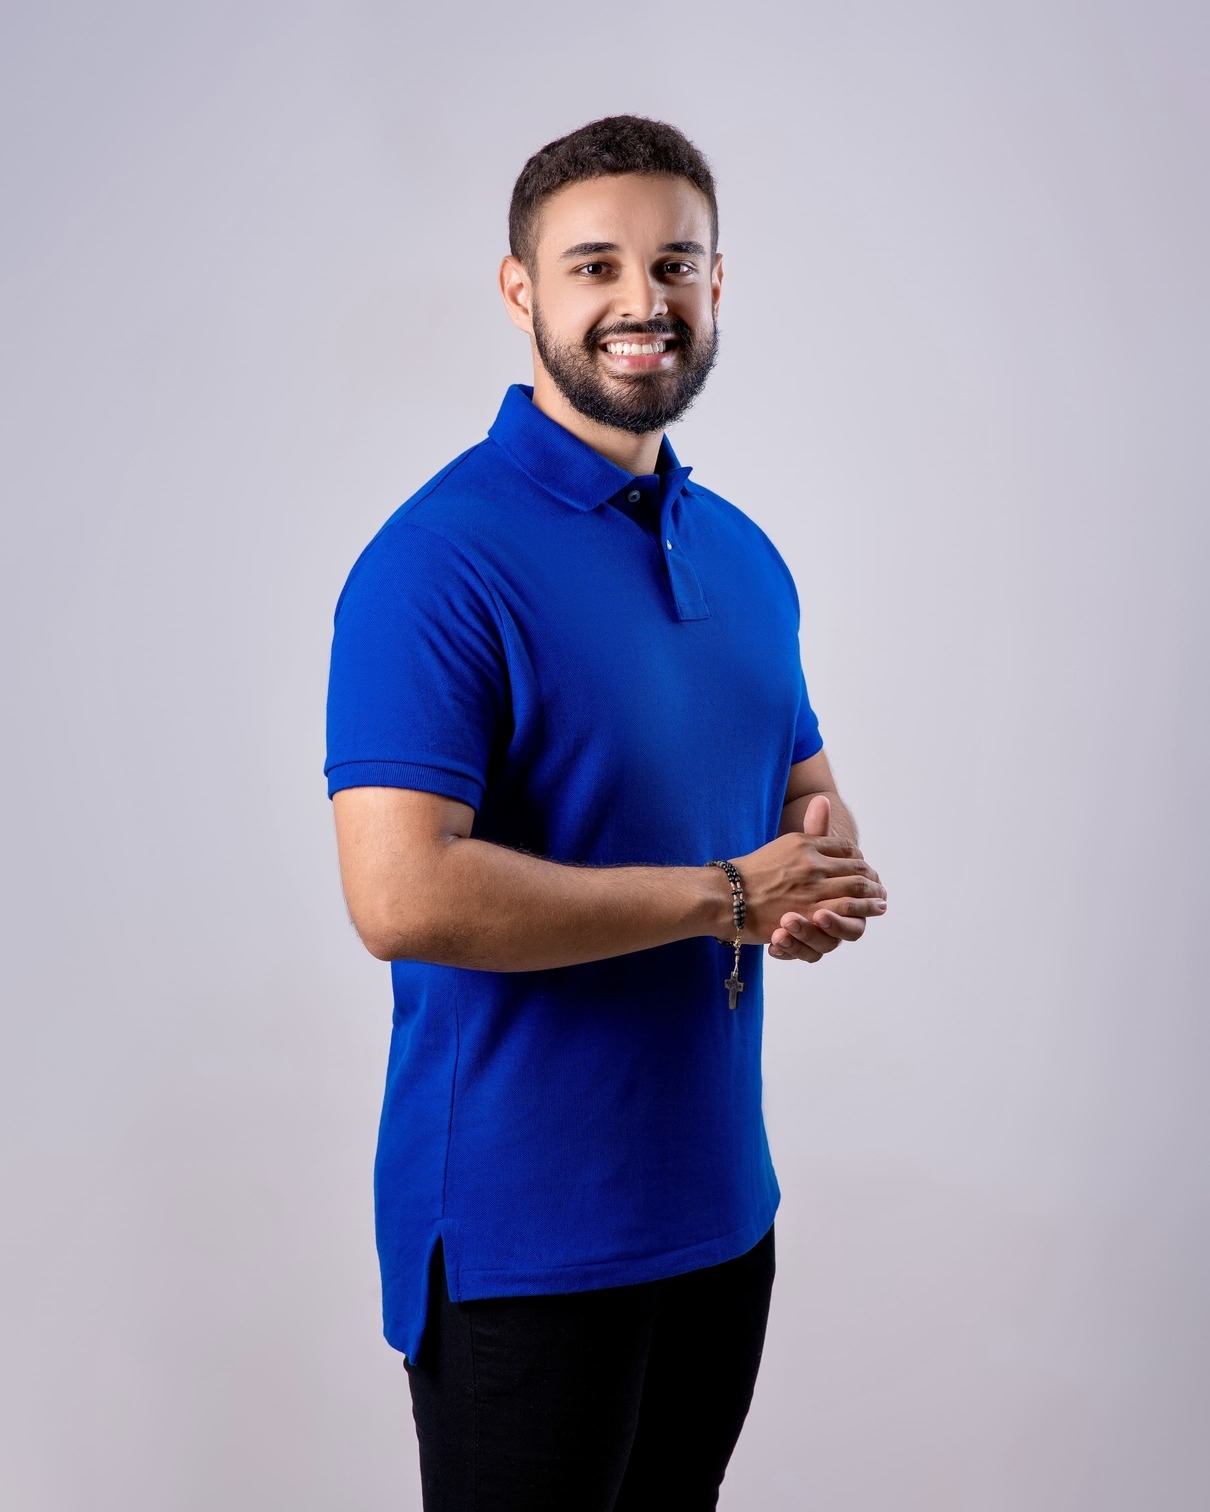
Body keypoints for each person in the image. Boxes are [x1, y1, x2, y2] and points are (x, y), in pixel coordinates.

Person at [324, 114, 887, 1512]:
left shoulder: (742, 550)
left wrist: (815, 868)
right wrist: (731, 895)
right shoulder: (435, 564)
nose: (643, 300)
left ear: (714, 284)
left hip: (719, 1211)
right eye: (594, 266)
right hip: (530, 1237)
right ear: (522, 294)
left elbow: (800, 791)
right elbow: (401, 898)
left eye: (675, 263)